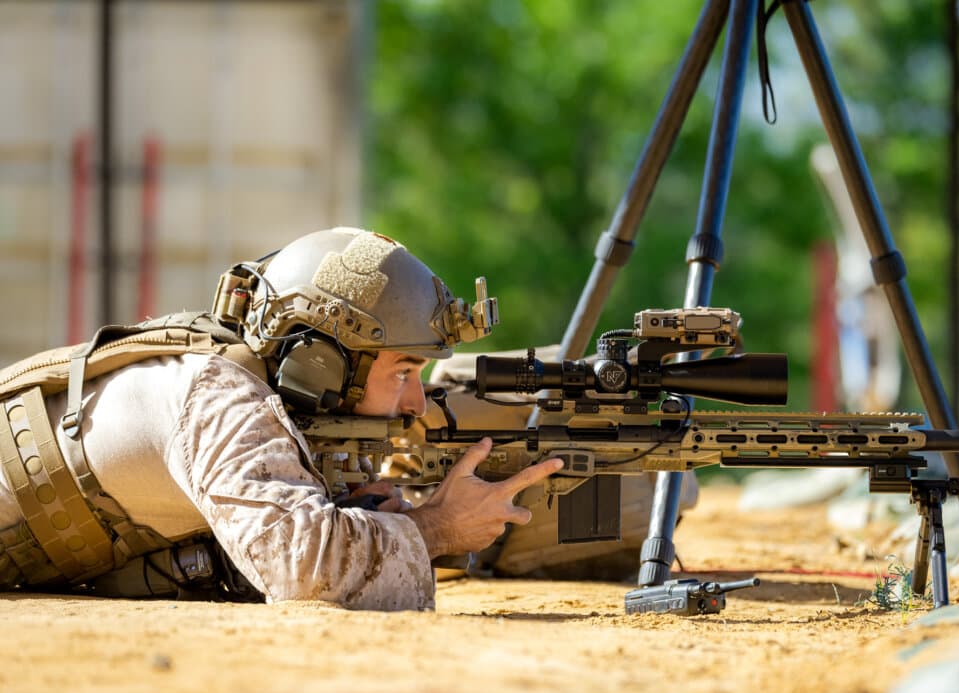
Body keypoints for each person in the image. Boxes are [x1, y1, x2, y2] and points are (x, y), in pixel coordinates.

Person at [0, 226, 563, 610]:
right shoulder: (218, 397)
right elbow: (304, 566)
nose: (417, 401)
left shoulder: (256, 393)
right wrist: (436, 529)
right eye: (402, 371)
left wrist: (358, 511)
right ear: (321, 363)